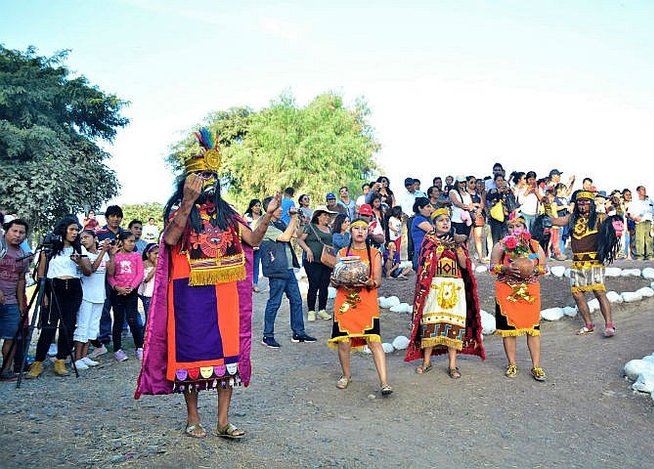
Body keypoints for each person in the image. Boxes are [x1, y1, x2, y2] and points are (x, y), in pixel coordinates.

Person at [135, 128, 279, 439]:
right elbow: (171, 239)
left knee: (228, 359)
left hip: (224, 293)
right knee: (191, 356)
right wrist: (187, 202)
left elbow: (252, 239)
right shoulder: (179, 213)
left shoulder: (228, 215)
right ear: (187, 181)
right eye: (201, 175)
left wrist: (266, 217)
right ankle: (193, 419)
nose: (208, 181)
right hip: (188, 295)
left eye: (211, 174)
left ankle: (223, 422)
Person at [405, 208, 485, 378]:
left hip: (455, 287)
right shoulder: (429, 242)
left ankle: (453, 365)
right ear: (434, 224)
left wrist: (456, 248)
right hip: (434, 288)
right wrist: (440, 249)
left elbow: (464, 266)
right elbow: (424, 263)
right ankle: (426, 362)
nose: (445, 223)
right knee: (430, 323)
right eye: (441, 220)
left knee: (454, 324)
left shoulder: (458, 241)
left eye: (447, 220)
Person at [328, 218, 393, 396]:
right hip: (345, 301)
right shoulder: (342, 252)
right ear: (350, 231)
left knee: (374, 341)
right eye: (356, 228)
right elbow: (335, 279)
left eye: (363, 229)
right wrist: (334, 282)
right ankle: (346, 376)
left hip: (366, 301)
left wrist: (370, 282)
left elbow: (377, 281)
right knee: (344, 341)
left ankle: (384, 382)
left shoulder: (375, 254)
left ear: (367, 232)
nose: (360, 232)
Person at [545, 190, 622, 337]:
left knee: (599, 292)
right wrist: (547, 205)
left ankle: (609, 325)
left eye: (586, 202)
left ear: (591, 204)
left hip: (594, 261)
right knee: (578, 294)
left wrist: (617, 208)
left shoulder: (601, 218)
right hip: (578, 262)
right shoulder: (572, 218)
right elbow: (553, 221)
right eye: (580, 202)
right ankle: (589, 324)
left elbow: (616, 223)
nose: (583, 205)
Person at [27, 216, 93, 378]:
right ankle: (38, 362)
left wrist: (80, 262)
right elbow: (40, 274)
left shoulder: (79, 249)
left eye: (77, 230)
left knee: (69, 325)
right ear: (63, 230)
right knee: (49, 324)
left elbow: (88, 271)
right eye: (72, 229)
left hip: (73, 288)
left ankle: (61, 359)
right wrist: (43, 294)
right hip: (53, 286)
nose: (75, 233)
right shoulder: (49, 249)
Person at [489, 214, 547, 381]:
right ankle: (512, 364)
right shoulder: (501, 246)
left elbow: (543, 267)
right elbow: (492, 267)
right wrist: (506, 269)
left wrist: (534, 270)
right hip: (507, 290)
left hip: (529, 291)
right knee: (508, 330)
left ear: (524, 228)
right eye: (511, 227)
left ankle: (536, 366)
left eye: (518, 227)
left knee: (533, 329)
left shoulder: (534, 246)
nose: (515, 230)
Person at [259, 196, 316, 348]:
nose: (281, 209)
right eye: (277, 207)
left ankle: (298, 333)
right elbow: (284, 237)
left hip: (288, 268)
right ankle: (267, 335)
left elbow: (296, 234)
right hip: (277, 269)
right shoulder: (264, 225)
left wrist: (302, 223)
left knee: (297, 300)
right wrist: (293, 217)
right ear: (269, 207)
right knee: (274, 302)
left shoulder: (280, 222)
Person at [89, 204, 127, 358]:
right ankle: (105, 336)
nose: (115, 219)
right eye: (112, 216)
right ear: (106, 217)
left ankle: (121, 333)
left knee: (120, 307)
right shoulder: (99, 233)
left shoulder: (125, 233)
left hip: (122, 275)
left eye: (118, 216)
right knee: (105, 306)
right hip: (104, 275)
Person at [71, 229, 111, 370]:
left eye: (86, 237)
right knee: (82, 325)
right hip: (86, 295)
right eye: (81, 238)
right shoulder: (83, 253)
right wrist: (102, 252)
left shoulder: (104, 253)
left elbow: (111, 271)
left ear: (95, 238)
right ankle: (76, 359)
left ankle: (84, 356)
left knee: (92, 327)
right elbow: (91, 270)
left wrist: (112, 253)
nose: (83, 240)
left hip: (100, 295)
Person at [106, 230, 144, 362]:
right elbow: (110, 275)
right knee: (118, 320)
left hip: (131, 292)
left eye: (134, 241)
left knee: (133, 319)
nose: (132, 244)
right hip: (117, 292)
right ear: (122, 242)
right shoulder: (114, 256)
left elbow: (140, 274)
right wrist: (117, 287)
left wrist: (131, 287)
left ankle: (139, 347)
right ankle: (117, 349)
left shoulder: (136, 256)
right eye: (130, 241)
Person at [0, 219, 30, 381]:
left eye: (21, 232)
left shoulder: (23, 255)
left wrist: (21, 304)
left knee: (11, 337)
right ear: (7, 231)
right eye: (14, 231)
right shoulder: (1, 247)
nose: (17, 235)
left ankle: (6, 369)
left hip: (11, 300)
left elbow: (21, 280)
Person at [297, 206, 338, 322]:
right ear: (318, 216)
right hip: (312, 260)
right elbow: (300, 240)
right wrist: (308, 250)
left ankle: (322, 309)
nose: (327, 217)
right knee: (314, 284)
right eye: (324, 215)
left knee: (324, 285)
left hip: (326, 261)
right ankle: (311, 310)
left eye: (328, 215)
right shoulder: (310, 227)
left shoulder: (329, 228)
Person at [628, 185, 654, 260]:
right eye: (642, 190)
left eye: (644, 189)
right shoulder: (634, 202)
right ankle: (640, 255)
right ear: (638, 192)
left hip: (649, 222)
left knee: (649, 239)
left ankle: (650, 255)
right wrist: (634, 218)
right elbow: (629, 213)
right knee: (639, 239)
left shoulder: (650, 201)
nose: (644, 191)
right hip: (639, 222)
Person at [243, 199, 264, 292]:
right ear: (251, 207)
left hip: (259, 243)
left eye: (259, 206)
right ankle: (247, 283)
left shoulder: (262, 217)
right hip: (248, 243)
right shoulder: (247, 217)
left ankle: (254, 283)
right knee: (247, 264)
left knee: (256, 264)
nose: (258, 207)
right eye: (256, 205)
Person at [410, 197, 434, 271]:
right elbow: (432, 230)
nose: (430, 209)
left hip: (425, 252)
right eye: (428, 206)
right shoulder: (419, 219)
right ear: (420, 208)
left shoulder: (425, 219)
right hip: (421, 254)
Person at [138, 243, 158, 325]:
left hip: (157, 294)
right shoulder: (143, 264)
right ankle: (145, 336)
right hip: (148, 295)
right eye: (155, 253)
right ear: (147, 254)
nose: (158, 256)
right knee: (150, 318)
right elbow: (146, 279)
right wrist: (156, 267)